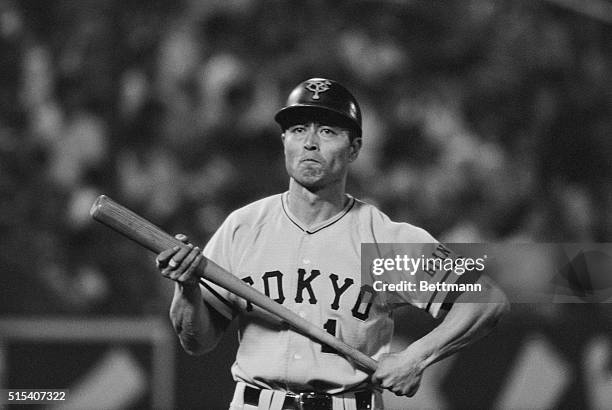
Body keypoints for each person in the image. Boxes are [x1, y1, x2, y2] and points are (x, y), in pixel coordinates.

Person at [155, 78, 510, 410]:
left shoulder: (382, 242)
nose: (310, 142)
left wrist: (416, 357)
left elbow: (486, 301)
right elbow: (196, 342)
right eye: (297, 130)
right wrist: (186, 289)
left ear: (354, 148)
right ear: (284, 143)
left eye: (327, 131)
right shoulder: (245, 227)